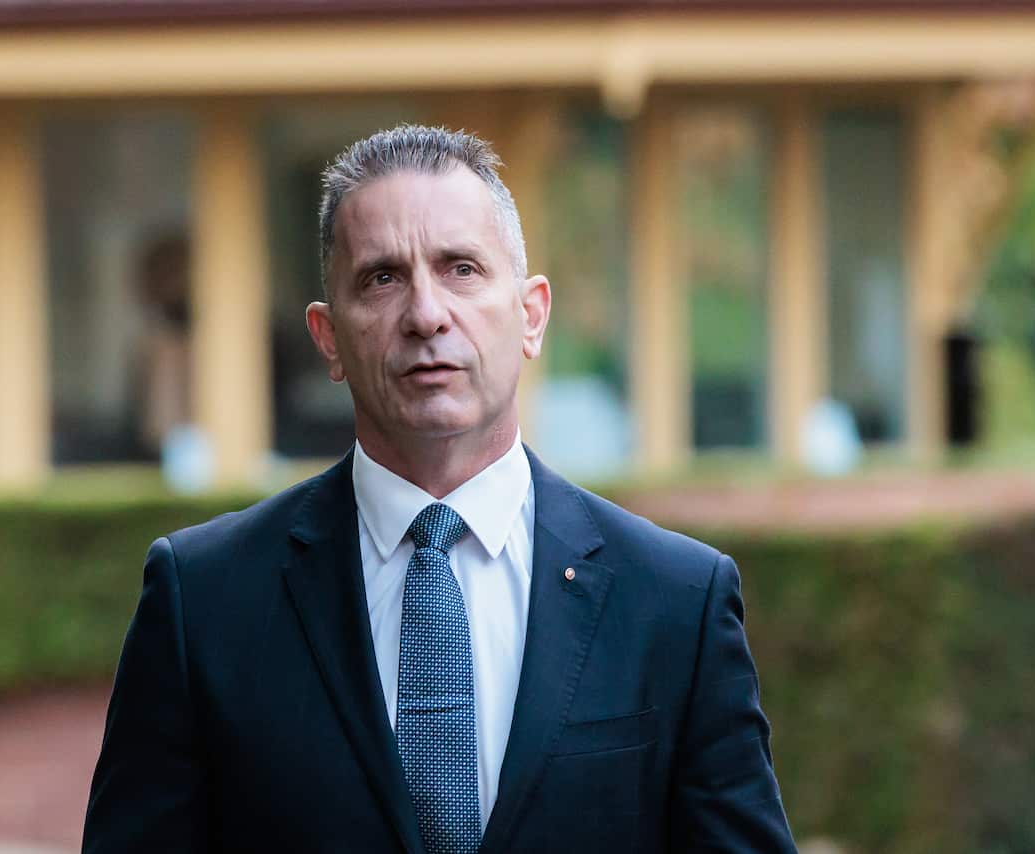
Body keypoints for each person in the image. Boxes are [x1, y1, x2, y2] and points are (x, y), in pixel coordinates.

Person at [83, 125, 796, 853]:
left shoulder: (674, 599)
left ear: (531, 314)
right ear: (328, 338)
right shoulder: (203, 599)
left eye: (460, 268)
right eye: (382, 278)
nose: (427, 314)